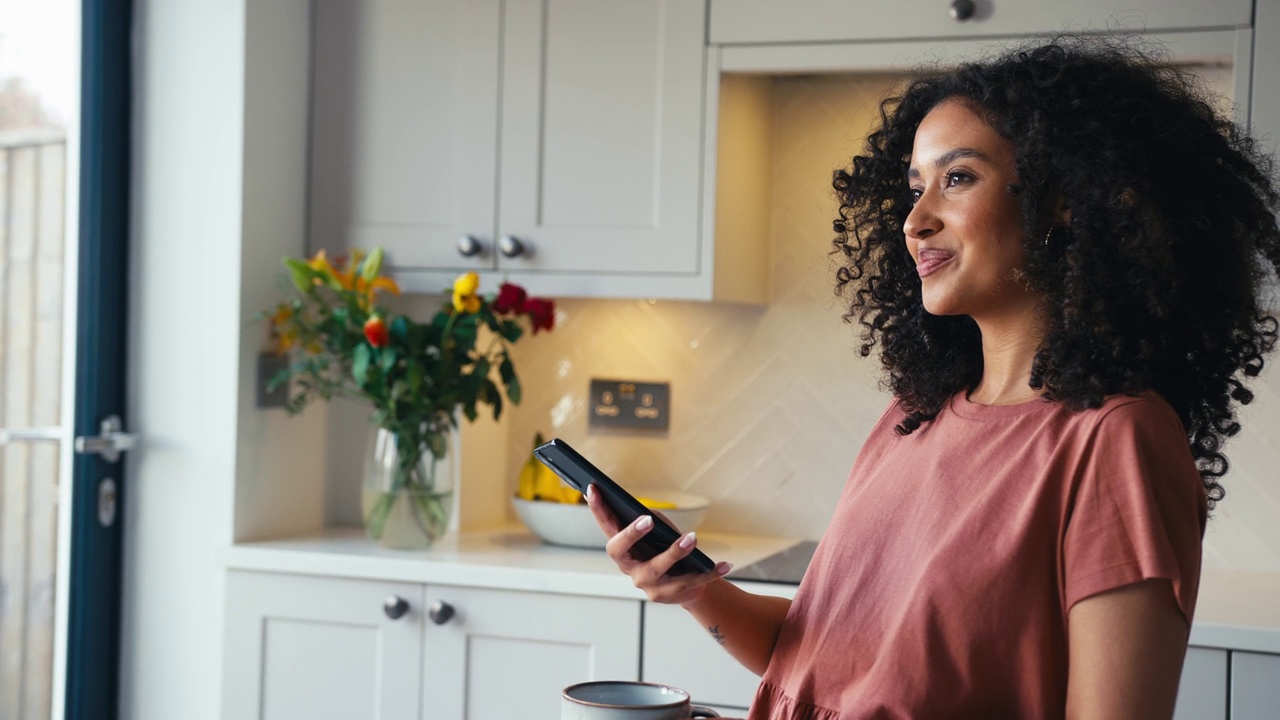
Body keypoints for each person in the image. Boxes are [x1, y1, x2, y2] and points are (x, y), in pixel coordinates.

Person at [586, 36, 1280, 719]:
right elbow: (812, 660)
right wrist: (692, 587)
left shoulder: (1115, 440)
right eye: (915, 188)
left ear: (1066, 197)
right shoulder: (912, 416)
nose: (915, 221)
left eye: (957, 178)